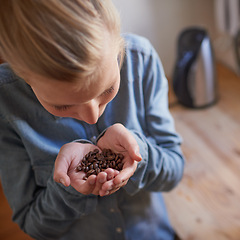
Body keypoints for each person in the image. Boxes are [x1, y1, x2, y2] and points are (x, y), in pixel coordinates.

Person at [0, 0, 185, 239]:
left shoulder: (142, 60)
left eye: (108, 89)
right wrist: (67, 189)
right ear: (23, 76)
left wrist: (140, 154)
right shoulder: (6, 100)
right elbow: (34, 225)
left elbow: (175, 169)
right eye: (62, 105)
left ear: (118, 45)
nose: (93, 116)